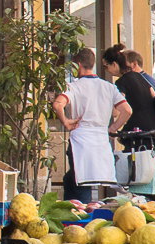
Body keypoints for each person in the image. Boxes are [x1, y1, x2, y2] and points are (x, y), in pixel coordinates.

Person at [54, 48, 131, 201]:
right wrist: (113, 128)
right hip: (101, 141)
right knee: (71, 179)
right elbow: (127, 110)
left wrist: (66, 122)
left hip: (80, 141)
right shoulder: (109, 87)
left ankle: (82, 218)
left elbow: (57, 104)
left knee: (82, 185)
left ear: (78, 64)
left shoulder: (74, 86)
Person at [115, 50, 155, 135]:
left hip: (143, 132)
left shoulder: (132, 81)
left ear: (134, 64)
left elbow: (118, 111)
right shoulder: (148, 80)